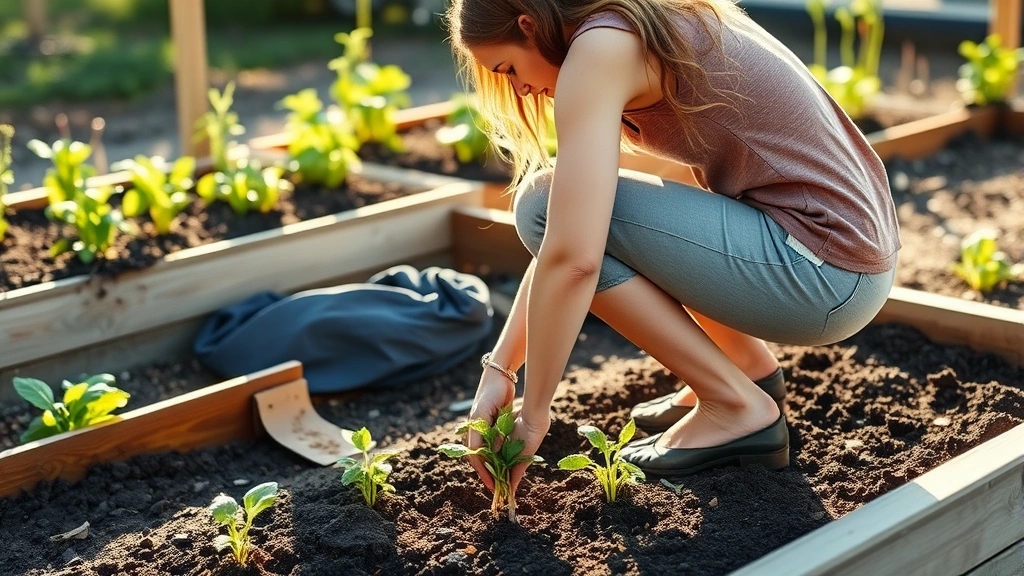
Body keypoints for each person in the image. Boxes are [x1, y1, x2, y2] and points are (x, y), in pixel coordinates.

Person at [444, 0, 899, 495]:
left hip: (822, 273)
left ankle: (737, 406)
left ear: (528, 25)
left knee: (539, 203)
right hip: (840, 259)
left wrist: (533, 415)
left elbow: (574, 255)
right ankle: (746, 370)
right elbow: (583, 226)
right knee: (558, 209)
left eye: (509, 69)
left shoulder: (600, 49)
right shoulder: (644, 20)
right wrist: (500, 368)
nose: (522, 89)